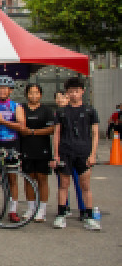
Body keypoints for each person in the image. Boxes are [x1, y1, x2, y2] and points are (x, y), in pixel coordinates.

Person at [51, 77, 101, 231]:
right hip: (65, 152)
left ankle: (89, 216)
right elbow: (56, 134)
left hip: (84, 153)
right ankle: (61, 215)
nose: (74, 94)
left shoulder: (90, 111)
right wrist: (56, 155)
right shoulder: (61, 112)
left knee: (85, 185)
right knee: (63, 185)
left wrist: (93, 154)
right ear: (67, 93)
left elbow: (95, 133)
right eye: (71, 91)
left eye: (77, 91)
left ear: (82, 91)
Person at [0, 75, 26, 223]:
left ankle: (13, 210)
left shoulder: (16, 106)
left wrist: (3, 121)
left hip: (11, 144)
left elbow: (22, 126)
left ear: (10, 90)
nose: (2, 91)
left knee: (12, 178)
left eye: (5, 88)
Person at [20, 84, 54, 223]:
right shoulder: (21, 108)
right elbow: (19, 126)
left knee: (42, 179)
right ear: (26, 94)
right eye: (31, 92)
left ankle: (42, 210)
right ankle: (31, 208)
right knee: (29, 178)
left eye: (36, 93)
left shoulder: (46, 110)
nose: (33, 95)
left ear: (41, 94)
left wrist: (33, 132)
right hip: (26, 148)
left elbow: (51, 129)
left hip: (42, 148)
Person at [53, 90, 83, 218]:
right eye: (58, 97)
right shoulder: (57, 114)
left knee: (79, 182)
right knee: (63, 183)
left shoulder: (76, 113)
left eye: (63, 97)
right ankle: (65, 207)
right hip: (62, 153)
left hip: (76, 153)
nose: (60, 100)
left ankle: (83, 209)